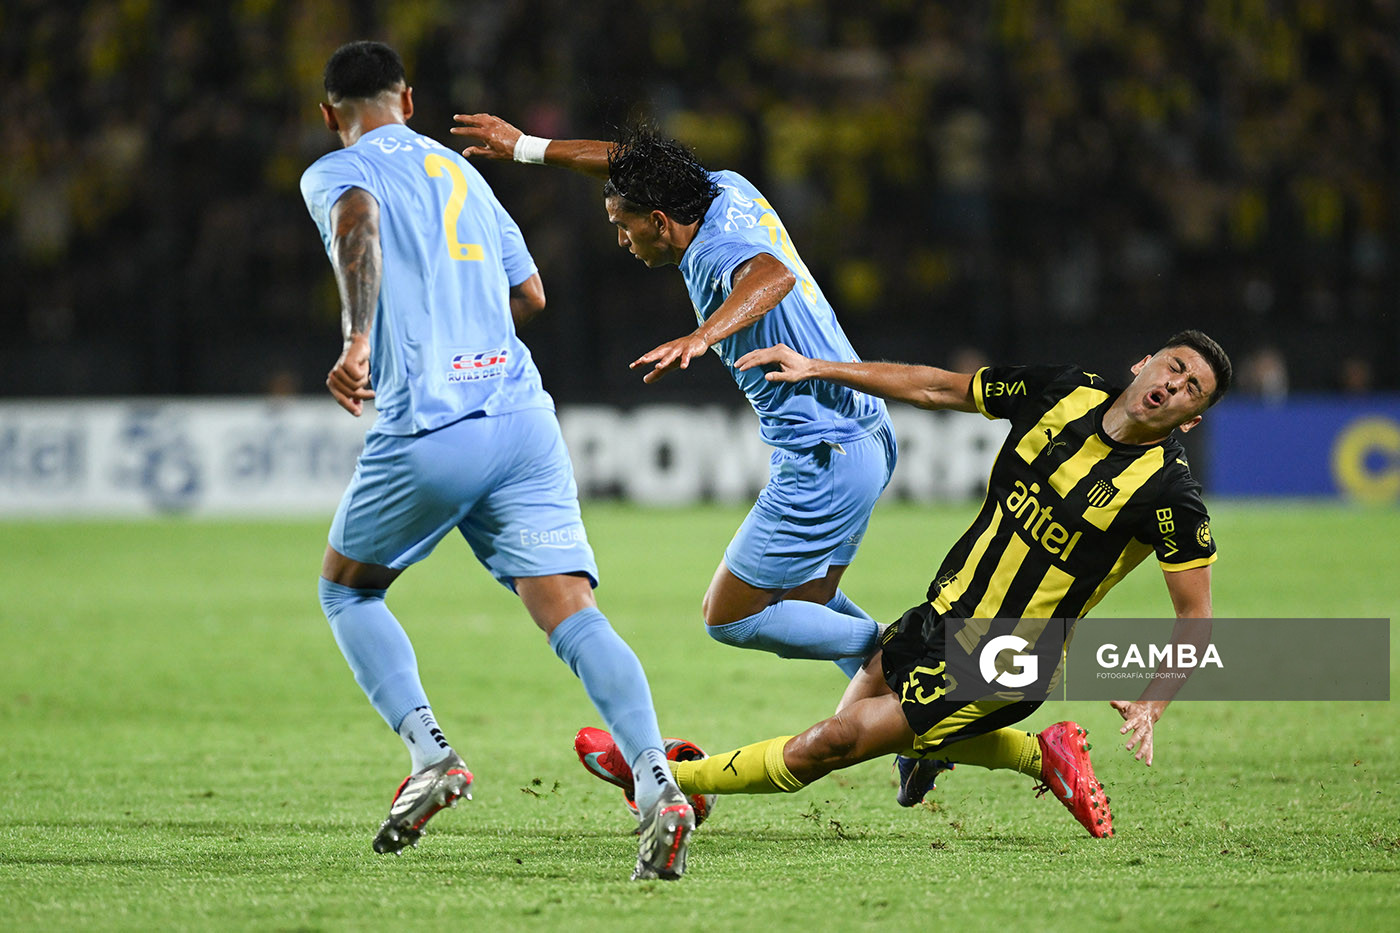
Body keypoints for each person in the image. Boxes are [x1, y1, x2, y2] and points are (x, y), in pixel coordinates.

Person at [573, 331, 1232, 839]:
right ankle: (1039, 753)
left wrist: (1153, 703)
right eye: (1174, 367)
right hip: (940, 612)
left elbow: (1195, 616)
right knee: (862, 728)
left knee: (833, 742)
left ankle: (659, 773)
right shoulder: (1064, 392)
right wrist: (822, 367)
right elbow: (941, 388)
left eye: (1192, 390)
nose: (1174, 386)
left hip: (1007, 659)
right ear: (1145, 360)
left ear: (1192, 418)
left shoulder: (1167, 494)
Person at [300, 41, 693, 880]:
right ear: (408, 100)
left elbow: (357, 223)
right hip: (519, 418)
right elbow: (532, 295)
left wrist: (358, 338)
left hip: (431, 425)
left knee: (346, 588)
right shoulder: (464, 174)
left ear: (331, 114)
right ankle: (660, 784)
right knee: (572, 612)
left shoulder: (335, 171)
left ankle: (432, 754)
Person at [450, 116, 896, 682]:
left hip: (822, 453)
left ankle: (919, 652)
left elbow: (771, 275)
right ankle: (958, 701)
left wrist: (702, 335)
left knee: (729, 616)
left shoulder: (713, 254)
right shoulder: (727, 188)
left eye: (623, 224)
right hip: (863, 432)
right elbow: (629, 161)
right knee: (809, 605)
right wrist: (528, 148)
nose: (620, 239)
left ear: (658, 222)